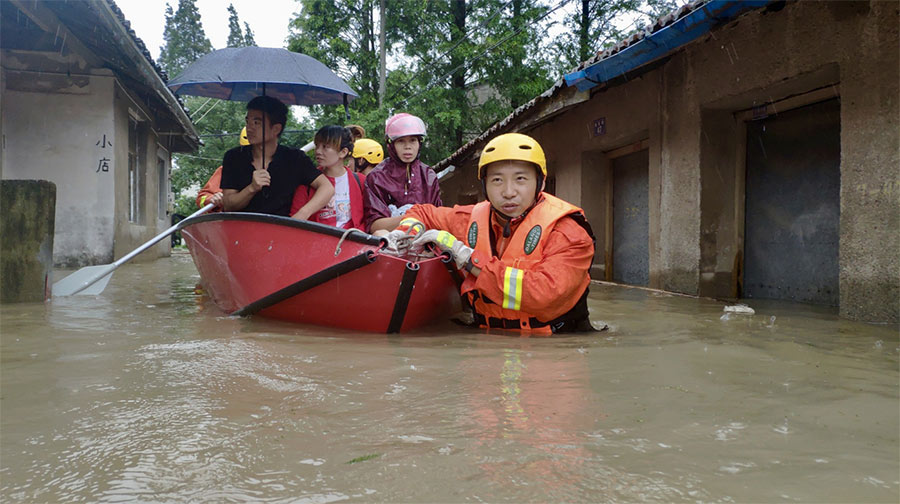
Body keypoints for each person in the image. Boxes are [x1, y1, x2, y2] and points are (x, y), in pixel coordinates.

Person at [386, 133, 597, 336]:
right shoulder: (471, 218)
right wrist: (404, 234)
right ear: (484, 186)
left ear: (540, 183)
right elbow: (422, 212)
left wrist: (469, 260)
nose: (508, 192)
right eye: (497, 180)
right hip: (486, 340)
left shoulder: (568, 231)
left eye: (521, 179)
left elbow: (546, 295)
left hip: (553, 348)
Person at [220, 95, 333, 218]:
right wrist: (251, 188)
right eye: (248, 121)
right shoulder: (233, 157)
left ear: (276, 129)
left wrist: (302, 214)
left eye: (256, 122)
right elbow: (228, 205)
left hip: (282, 231)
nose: (249, 128)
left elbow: (327, 188)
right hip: (241, 229)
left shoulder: (295, 158)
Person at [363, 113, 442, 233]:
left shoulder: (429, 175)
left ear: (419, 143)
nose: (407, 147)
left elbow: (438, 218)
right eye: (401, 141)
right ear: (391, 144)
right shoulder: (376, 177)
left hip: (425, 242)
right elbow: (374, 225)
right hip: (389, 244)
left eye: (413, 140)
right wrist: (413, 216)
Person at [290, 126, 366, 229]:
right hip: (315, 243)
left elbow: (367, 219)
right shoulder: (308, 182)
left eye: (325, 146)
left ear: (343, 152)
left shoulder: (361, 181)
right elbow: (294, 220)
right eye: (317, 146)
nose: (318, 151)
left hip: (351, 242)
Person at [195, 127, 251, 210]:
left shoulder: (275, 172)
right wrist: (211, 199)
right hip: (232, 221)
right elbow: (201, 199)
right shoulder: (227, 171)